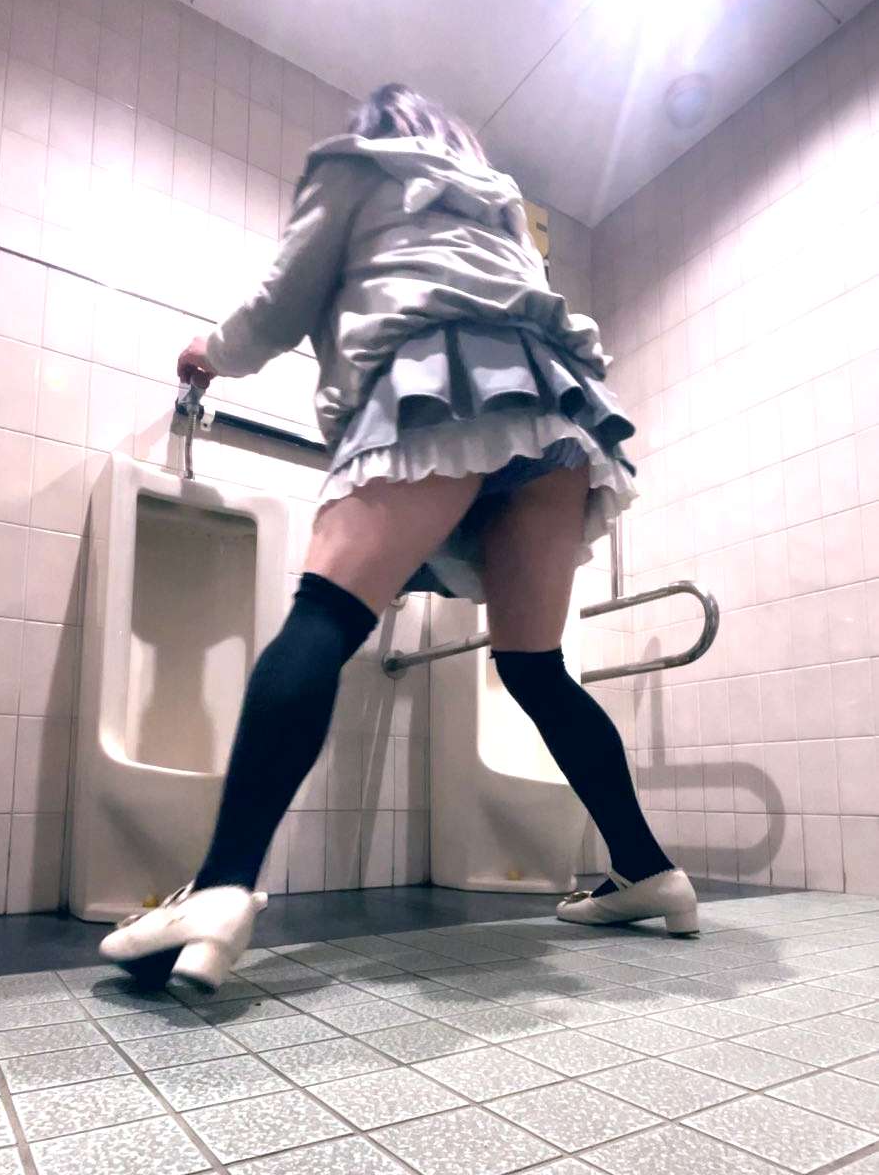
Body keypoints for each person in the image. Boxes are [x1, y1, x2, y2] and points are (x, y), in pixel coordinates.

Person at [101, 84, 698, 991]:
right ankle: (647, 869)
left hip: (438, 386)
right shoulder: (497, 202)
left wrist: (208, 353)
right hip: (555, 416)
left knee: (324, 617)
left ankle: (221, 885)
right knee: (535, 667)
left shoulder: (357, 164)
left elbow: (281, 304)